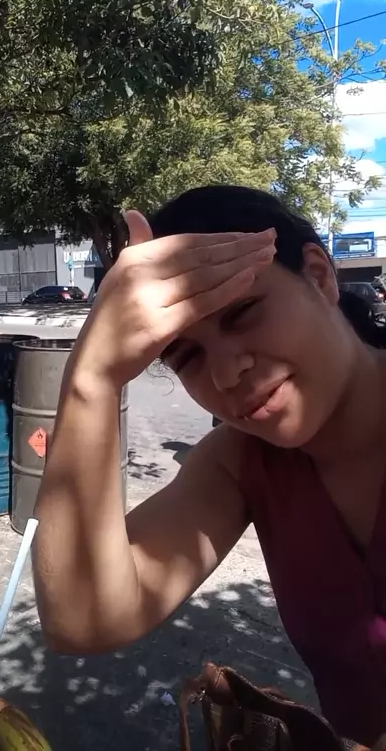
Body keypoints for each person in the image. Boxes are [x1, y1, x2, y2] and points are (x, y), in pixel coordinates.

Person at [32, 185, 386, 746]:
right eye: (188, 356)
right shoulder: (241, 460)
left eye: (243, 312)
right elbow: (84, 617)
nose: (225, 373)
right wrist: (92, 379)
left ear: (319, 276)